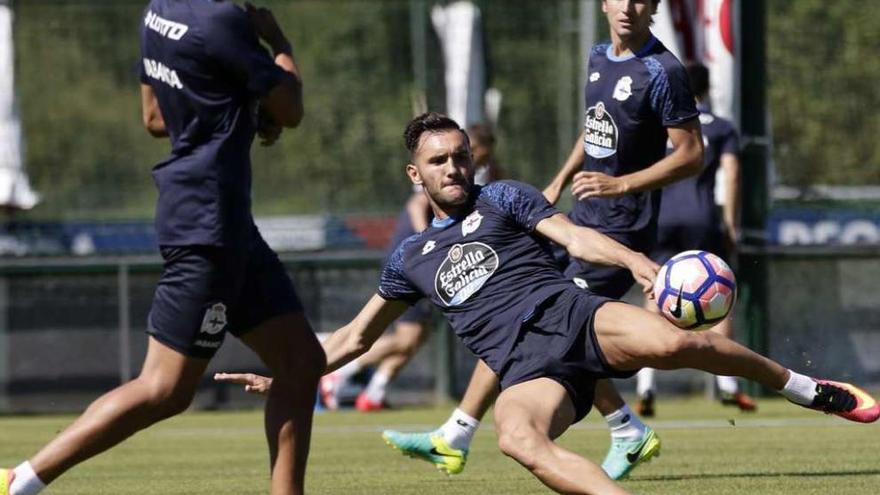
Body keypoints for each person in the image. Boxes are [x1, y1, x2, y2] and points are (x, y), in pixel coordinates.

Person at [216, 112, 879, 495]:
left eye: (460, 156)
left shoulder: (504, 197)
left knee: (681, 342)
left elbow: (573, 233)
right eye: (439, 161)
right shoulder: (408, 256)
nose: (454, 167)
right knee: (516, 438)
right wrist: (290, 373)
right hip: (527, 368)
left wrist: (634, 261)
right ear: (415, 174)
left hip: (577, 316)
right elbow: (356, 336)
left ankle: (805, 386)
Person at [1, 3, 325, 495]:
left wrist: (234, 112)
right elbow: (292, 109)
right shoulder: (223, 21)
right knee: (164, 389)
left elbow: (155, 117)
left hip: (218, 221)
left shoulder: (159, 11)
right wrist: (280, 42)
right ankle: (18, 481)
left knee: (301, 363)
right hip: (208, 225)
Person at [382, 0, 705, 480]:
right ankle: (620, 427)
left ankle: (463, 433)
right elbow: (596, 130)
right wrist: (559, 180)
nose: (628, 7)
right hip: (586, 212)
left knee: (535, 321)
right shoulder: (599, 56)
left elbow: (692, 156)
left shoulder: (662, 69)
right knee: (527, 317)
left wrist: (621, 185)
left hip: (619, 225)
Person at [319, 123, 503, 412]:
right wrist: (429, 243)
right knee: (405, 336)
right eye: (484, 153)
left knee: (417, 335)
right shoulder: (444, 177)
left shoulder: (474, 176)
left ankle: (374, 394)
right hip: (418, 256)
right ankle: (338, 373)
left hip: (435, 255)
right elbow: (417, 206)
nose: (483, 159)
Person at [635, 62, 755, 416]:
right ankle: (729, 386)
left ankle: (645, 386)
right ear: (706, 90)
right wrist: (730, 225)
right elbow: (731, 175)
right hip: (702, 219)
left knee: (655, 296)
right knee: (719, 293)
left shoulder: (661, 125)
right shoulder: (721, 128)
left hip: (662, 219)